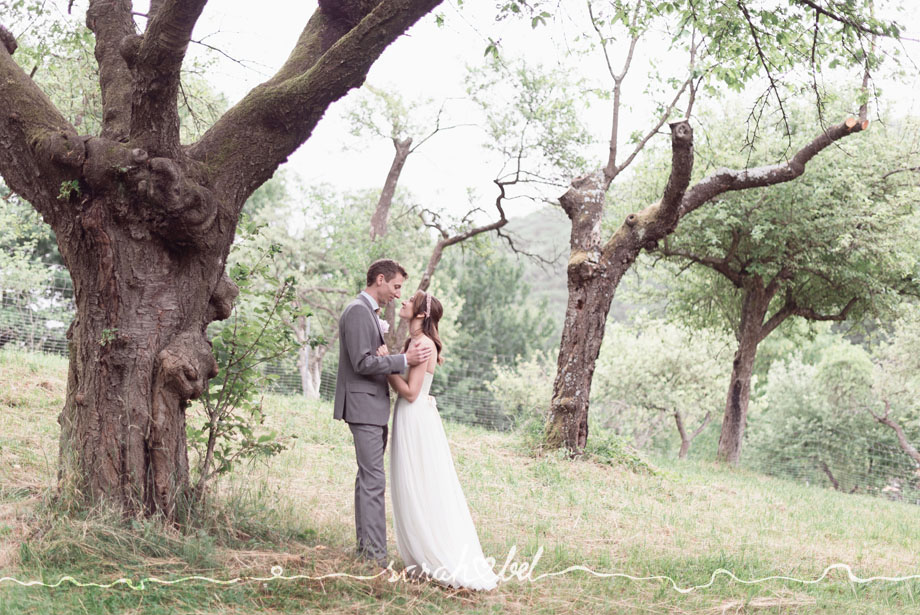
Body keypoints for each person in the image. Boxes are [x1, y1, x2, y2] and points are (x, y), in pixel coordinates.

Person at [382, 290, 499, 591]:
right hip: (411, 415)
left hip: (415, 416)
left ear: (421, 315)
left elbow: (410, 391)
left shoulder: (424, 345)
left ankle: (433, 553)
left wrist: (386, 367)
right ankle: (418, 554)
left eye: (410, 301)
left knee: (418, 482)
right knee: (409, 481)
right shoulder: (413, 342)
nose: (404, 302)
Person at [334, 259, 432, 568]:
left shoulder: (368, 313)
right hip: (363, 407)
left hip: (373, 408)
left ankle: (367, 550)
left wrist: (397, 359)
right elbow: (362, 363)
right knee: (374, 481)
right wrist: (402, 359)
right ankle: (375, 557)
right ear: (380, 280)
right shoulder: (357, 312)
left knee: (368, 479)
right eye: (396, 286)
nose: (397, 294)